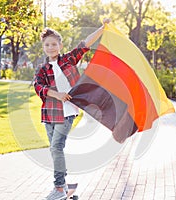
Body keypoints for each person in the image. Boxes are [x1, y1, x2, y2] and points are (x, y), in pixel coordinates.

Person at [34, 18, 110, 200]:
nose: (50, 47)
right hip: (49, 113)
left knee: (56, 148)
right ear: (43, 47)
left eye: (53, 44)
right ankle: (66, 187)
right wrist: (56, 94)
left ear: (60, 45)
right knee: (55, 150)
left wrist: (102, 28)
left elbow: (84, 45)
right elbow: (38, 87)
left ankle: (59, 189)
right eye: (47, 45)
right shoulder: (42, 68)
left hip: (67, 113)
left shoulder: (68, 59)